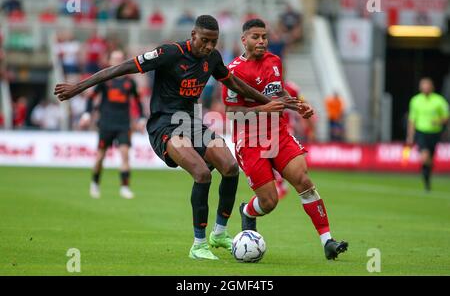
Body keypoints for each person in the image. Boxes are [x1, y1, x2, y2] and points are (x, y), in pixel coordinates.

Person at [55, 15, 300, 260]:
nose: (208, 47)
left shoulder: (212, 58)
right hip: (164, 125)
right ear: (193, 35)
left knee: (230, 166)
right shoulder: (169, 53)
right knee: (202, 174)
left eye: (213, 42)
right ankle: (199, 245)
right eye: (204, 40)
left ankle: (219, 233)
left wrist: (273, 101)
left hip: (191, 122)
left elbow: (236, 84)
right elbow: (122, 67)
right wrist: (78, 87)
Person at [222, 19, 348, 260]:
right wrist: (264, 110)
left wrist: (298, 106)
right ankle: (247, 211)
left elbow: (278, 92)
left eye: (264, 37)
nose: (261, 41)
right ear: (244, 40)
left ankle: (327, 242)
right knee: (269, 202)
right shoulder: (233, 71)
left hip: (278, 133)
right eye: (256, 37)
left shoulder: (274, 61)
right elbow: (231, 114)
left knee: (303, 180)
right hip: (250, 139)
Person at [79, 49, 146, 199]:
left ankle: (125, 187)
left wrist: (141, 118)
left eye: (121, 59)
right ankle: (95, 184)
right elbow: (91, 97)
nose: (118, 61)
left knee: (125, 155)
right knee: (100, 157)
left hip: (123, 123)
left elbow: (137, 101)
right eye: (115, 59)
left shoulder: (130, 82)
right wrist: (87, 114)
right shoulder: (104, 80)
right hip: (106, 123)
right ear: (110, 61)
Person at [406, 78, 449, 192]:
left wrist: (438, 121)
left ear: (432, 87)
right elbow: (412, 119)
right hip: (421, 132)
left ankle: (427, 178)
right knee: (425, 157)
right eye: (423, 86)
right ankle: (427, 178)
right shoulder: (415, 100)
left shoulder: (439, 101)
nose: (425, 88)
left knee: (429, 158)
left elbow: (446, 117)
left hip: (434, 133)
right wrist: (410, 135)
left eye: (427, 85)